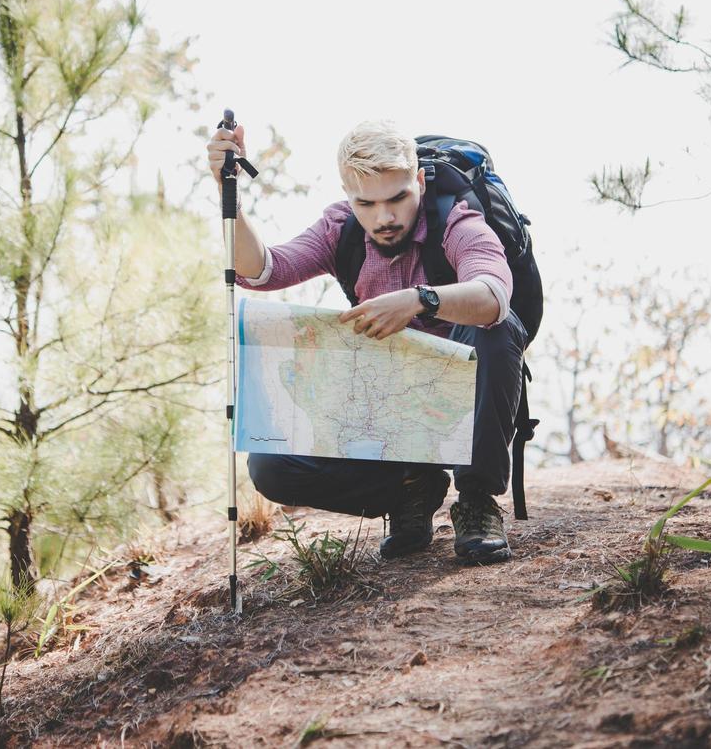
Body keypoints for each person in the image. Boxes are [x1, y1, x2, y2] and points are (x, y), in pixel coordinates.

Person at [206, 119, 527, 564]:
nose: (385, 217)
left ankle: (476, 500)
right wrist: (232, 199)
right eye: (366, 203)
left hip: (462, 398)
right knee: (271, 466)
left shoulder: (456, 220)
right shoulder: (340, 229)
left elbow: (494, 297)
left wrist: (419, 301)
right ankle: (409, 492)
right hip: (384, 404)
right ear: (347, 193)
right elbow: (264, 271)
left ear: (419, 181)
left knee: (498, 328)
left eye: (398, 198)